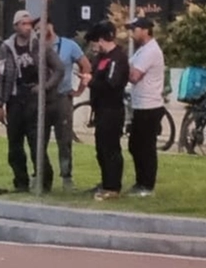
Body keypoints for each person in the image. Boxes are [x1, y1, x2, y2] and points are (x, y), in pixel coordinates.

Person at [0, 10, 65, 192]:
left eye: (29, 24)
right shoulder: (6, 47)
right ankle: (21, 181)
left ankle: (44, 181)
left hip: (35, 98)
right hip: (15, 98)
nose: (27, 27)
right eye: (23, 24)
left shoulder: (40, 46)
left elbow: (59, 68)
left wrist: (44, 86)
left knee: (36, 144)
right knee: (14, 145)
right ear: (15, 26)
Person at [84, 22, 129, 201]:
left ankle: (113, 186)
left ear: (101, 40)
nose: (94, 48)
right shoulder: (101, 58)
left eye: (95, 43)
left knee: (110, 148)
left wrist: (91, 82)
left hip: (112, 109)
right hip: (101, 109)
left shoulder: (117, 58)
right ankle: (105, 182)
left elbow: (113, 84)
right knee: (101, 148)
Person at [45, 21, 91, 192]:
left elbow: (86, 65)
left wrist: (80, 89)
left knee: (64, 140)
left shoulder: (68, 46)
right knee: (38, 140)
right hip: (41, 99)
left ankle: (66, 176)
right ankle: (42, 176)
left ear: (50, 25)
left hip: (62, 97)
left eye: (44, 26)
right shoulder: (35, 46)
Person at [125, 17, 166, 198]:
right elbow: (129, 66)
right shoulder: (142, 51)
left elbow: (134, 76)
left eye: (134, 29)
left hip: (149, 106)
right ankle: (140, 181)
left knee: (146, 147)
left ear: (145, 30)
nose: (132, 33)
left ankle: (147, 185)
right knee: (135, 145)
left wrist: (120, 70)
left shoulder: (151, 51)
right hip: (140, 105)